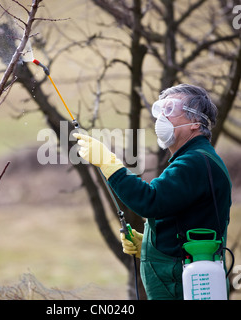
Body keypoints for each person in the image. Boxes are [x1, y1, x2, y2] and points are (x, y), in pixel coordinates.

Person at [73, 84, 232, 300]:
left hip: (187, 286)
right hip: (185, 281)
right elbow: (179, 215)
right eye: (160, 110)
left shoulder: (195, 162)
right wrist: (148, 244)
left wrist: (108, 164)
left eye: (170, 110)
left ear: (196, 123)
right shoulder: (196, 158)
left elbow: (151, 201)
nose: (161, 119)